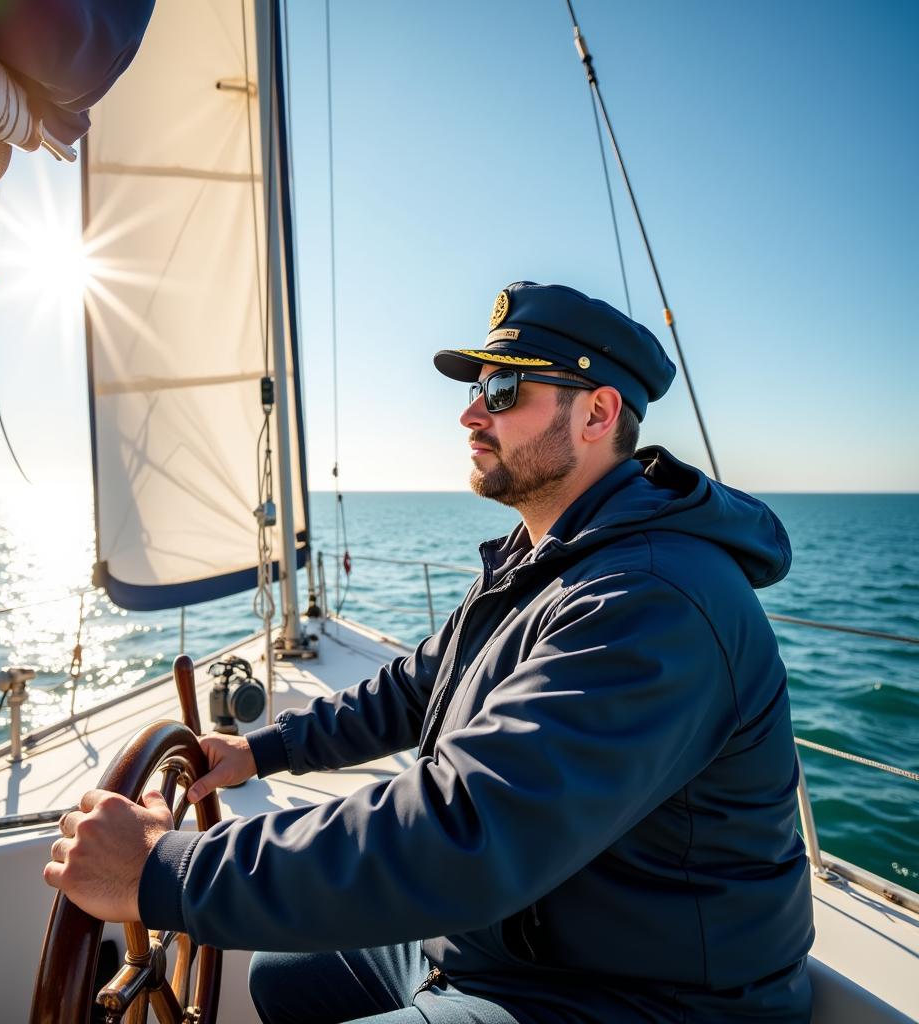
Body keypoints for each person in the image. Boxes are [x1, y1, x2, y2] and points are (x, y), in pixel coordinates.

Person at [46, 281, 814, 1022]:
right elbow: (417, 687)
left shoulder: (651, 598)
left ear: (597, 414)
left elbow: (471, 829)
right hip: (516, 944)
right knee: (280, 977)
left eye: (504, 392)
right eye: (477, 387)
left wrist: (165, 872)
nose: (471, 413)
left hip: (635, 996)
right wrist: (259, 752)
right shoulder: (547, 557)